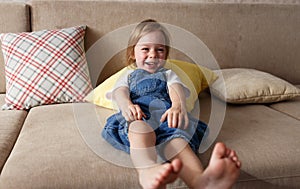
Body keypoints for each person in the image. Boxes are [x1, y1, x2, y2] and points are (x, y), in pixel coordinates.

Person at [102, 19, 241, 189]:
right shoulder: (129, 75)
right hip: (140, 116)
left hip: (167, 117)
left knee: (177, 141)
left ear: (165, 55)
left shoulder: (168, 74)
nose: (153, 54)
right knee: (139, 130)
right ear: (133, 53)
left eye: (160, 50)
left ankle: (201, 181)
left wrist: (177, 106)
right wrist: (126, 105)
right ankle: (147, 171)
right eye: (145, 49)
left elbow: (176, 89)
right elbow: (120, 92)